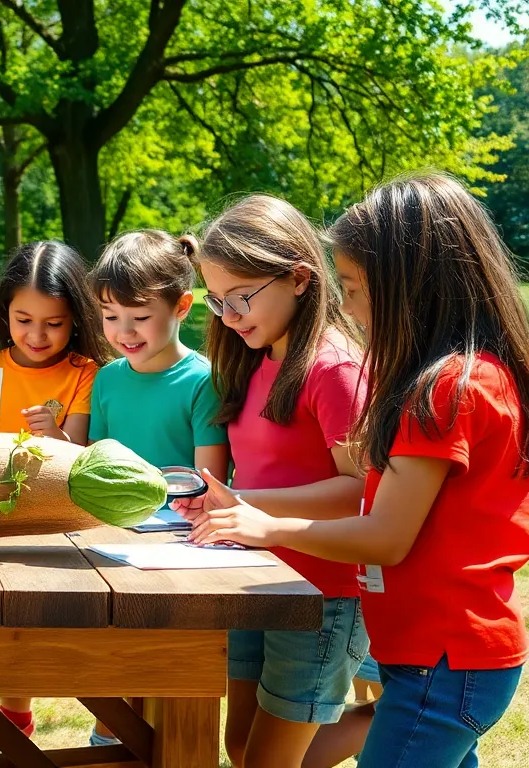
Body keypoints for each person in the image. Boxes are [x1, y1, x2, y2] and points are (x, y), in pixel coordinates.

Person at [189, 172, 529, 768]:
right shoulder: (449, 380)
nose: (345, 305)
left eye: (353, 287)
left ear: (412, 285)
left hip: (445, 659)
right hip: (430, 656)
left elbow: (386, 537)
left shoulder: (451, 387)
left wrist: (265, 525)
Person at [172, 195, 368, 768]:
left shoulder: (333, 369)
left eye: (240, 297)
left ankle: (407, 712)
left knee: (266, 761)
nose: (228, 316)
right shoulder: (252, 358)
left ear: (300, 278)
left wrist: (246, 505)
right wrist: (217, 503)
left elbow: (361, 490)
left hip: (323, 594)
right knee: (241, 748)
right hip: (257, 582)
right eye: (217, 300)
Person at [84, 229, 232, 747]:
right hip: (111, 544)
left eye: (140, 317)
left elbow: (203, 483)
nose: (124, 331)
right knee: (111, 672)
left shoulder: (203, 381)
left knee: (167, 672)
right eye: (110, 317)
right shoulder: (106, 380)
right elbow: (100, 467)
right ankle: (108, 748)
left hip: (177, 551)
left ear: (182, 307)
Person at [0, 240, 110, 756]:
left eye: (54, 322)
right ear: (5, 312)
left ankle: (111, 723)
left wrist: (54, 435)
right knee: (8, 622)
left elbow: (82, 455)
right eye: (24, 319)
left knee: (80, 621)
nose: (37, 334)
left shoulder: (86, 372)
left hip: (59, 515)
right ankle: (13, 719)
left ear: (76, 319)